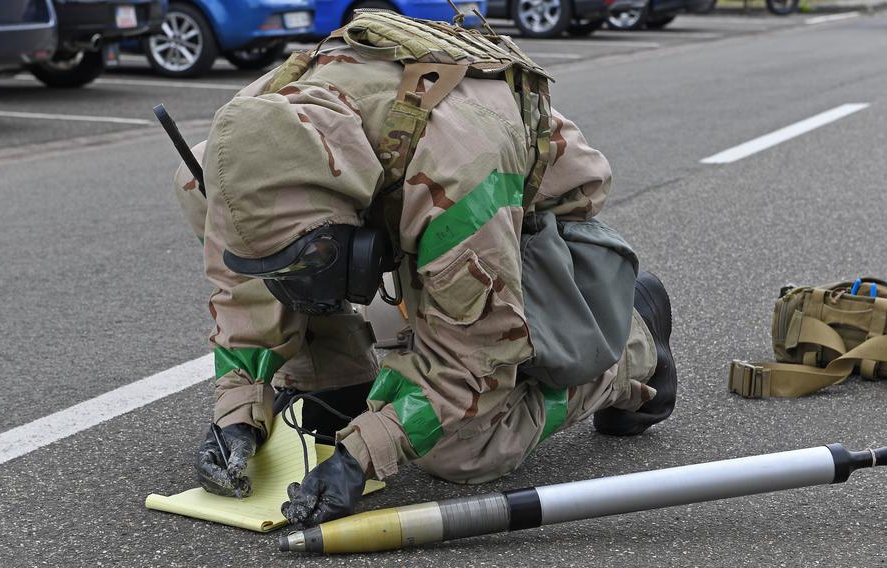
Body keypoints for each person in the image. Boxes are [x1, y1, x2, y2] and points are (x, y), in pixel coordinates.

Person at [172, 11, 677, 529]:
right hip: (389, 199)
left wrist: (361, 457)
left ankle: (632, 346)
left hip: (521, 214)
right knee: (298, 284)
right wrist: (237, 411)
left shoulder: (457, 181)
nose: (289, 289)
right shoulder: (226, 171)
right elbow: (243, 284)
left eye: (306, 260)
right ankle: (340, 375)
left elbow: (473, 365)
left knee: (463, 453)